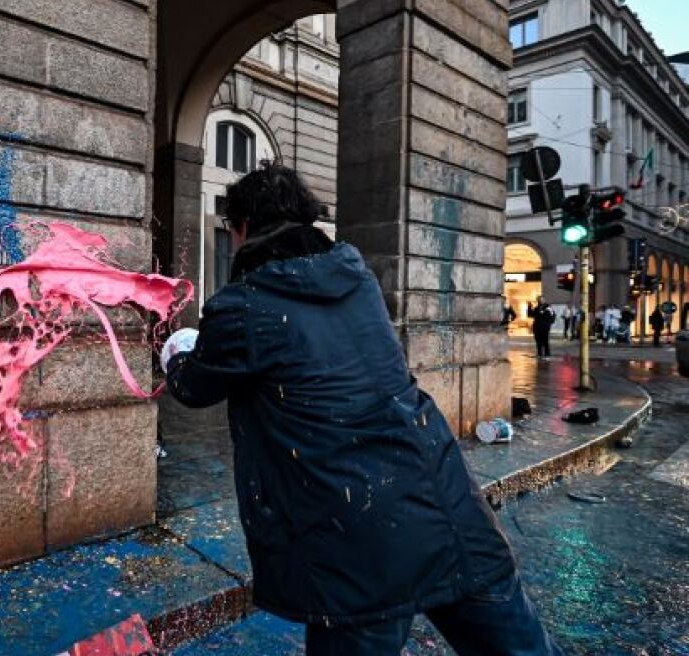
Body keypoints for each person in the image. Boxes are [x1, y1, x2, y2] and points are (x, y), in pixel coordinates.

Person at [163, 165, 562, 656]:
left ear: (242, 226)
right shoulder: (357, 279)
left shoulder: (244, 305)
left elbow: (194, 386)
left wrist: (178, 349)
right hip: (448, 506)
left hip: (354, 542)